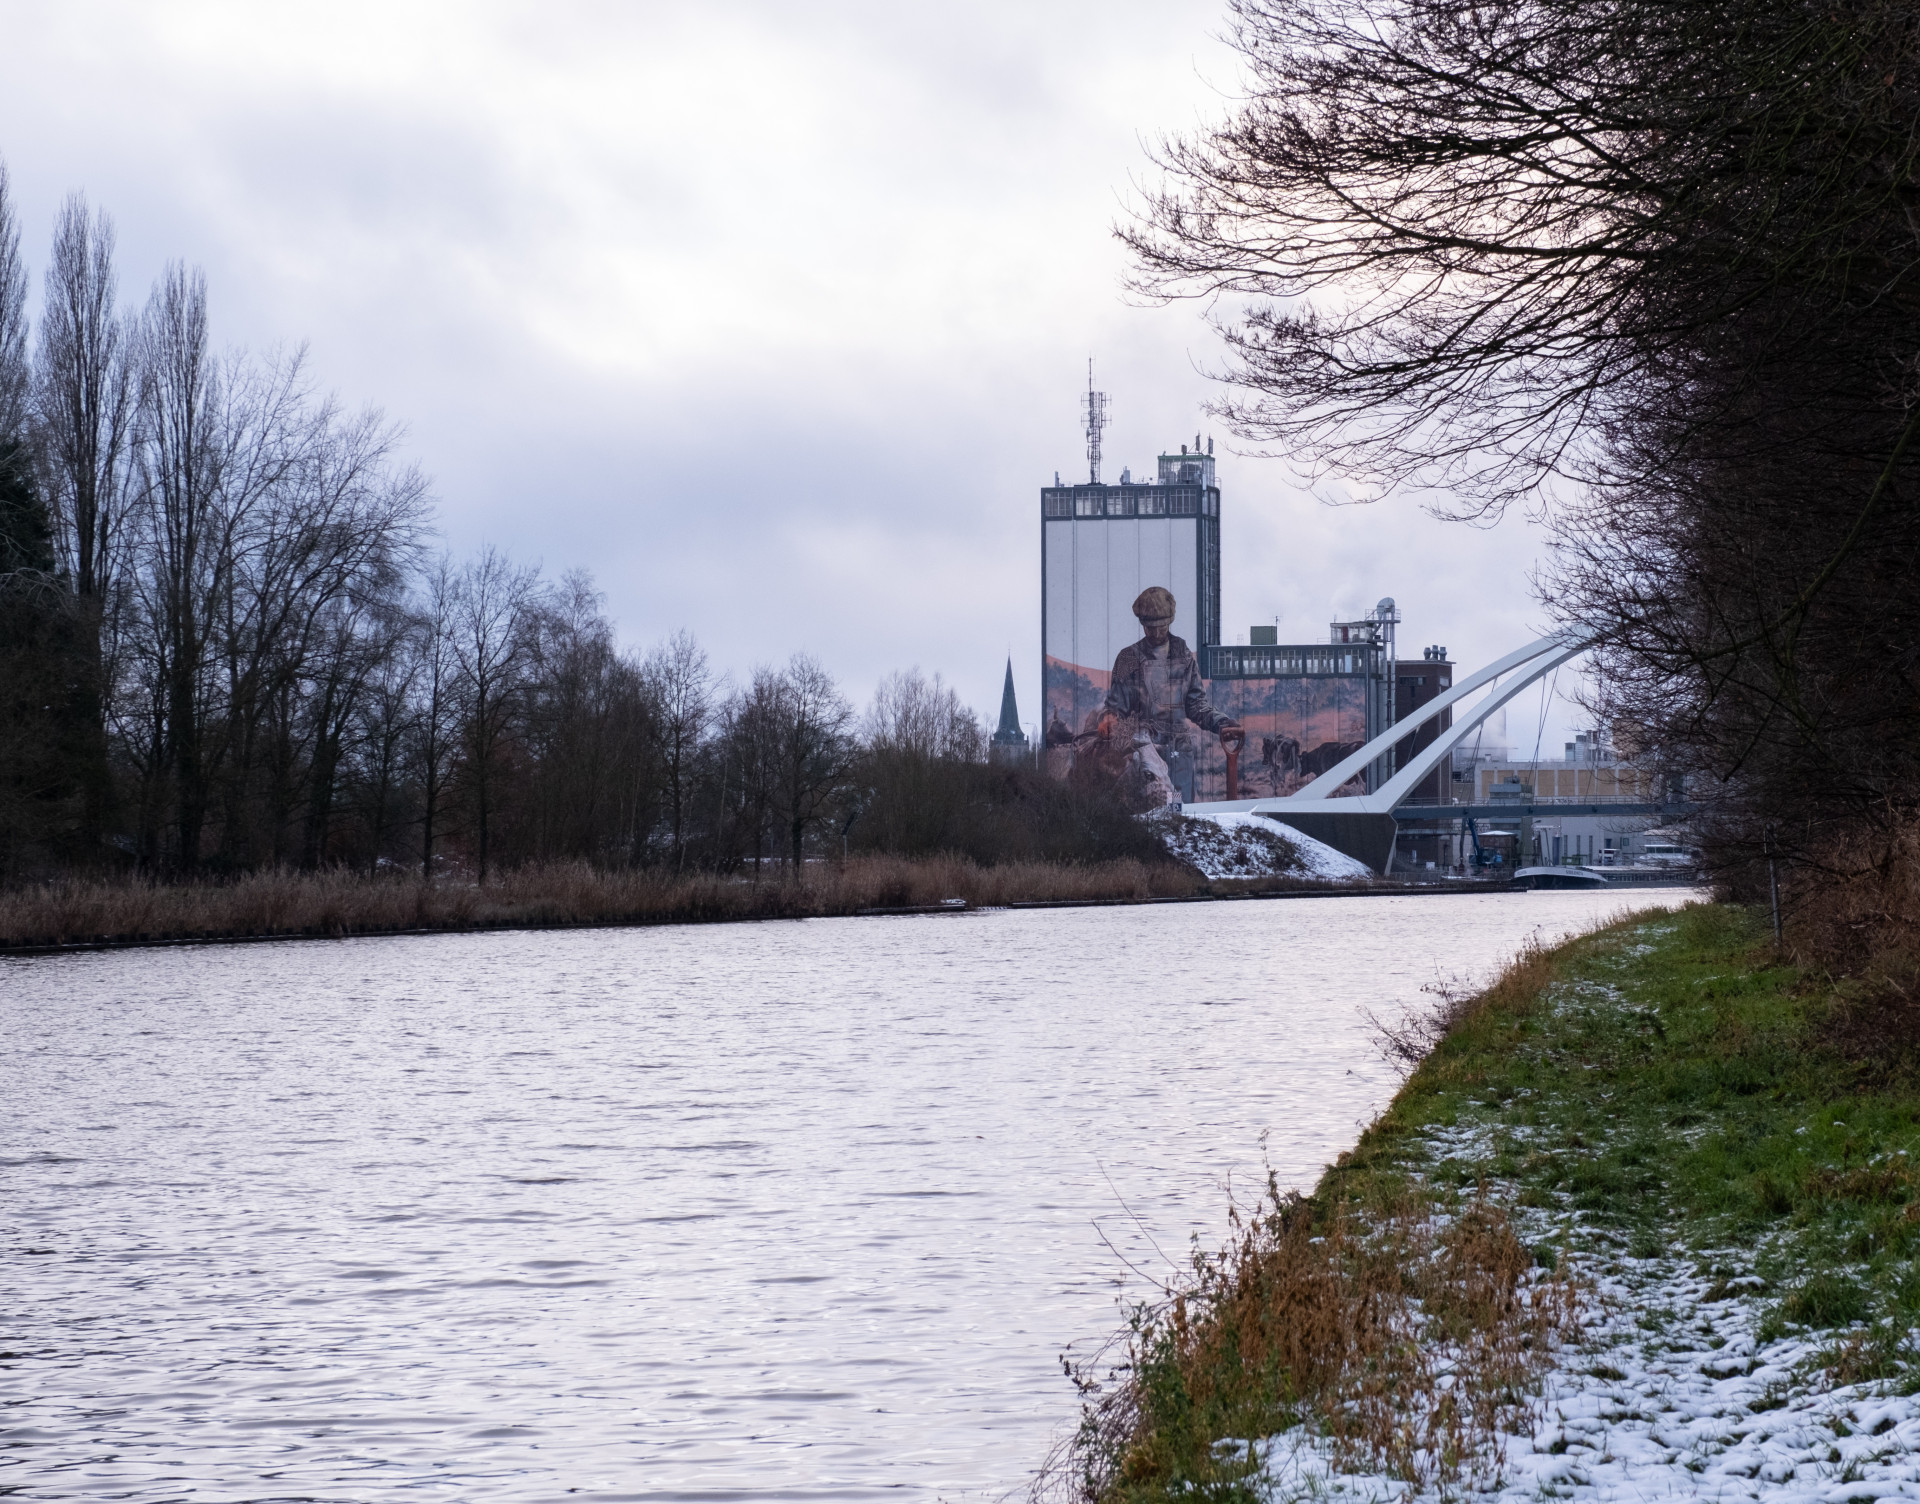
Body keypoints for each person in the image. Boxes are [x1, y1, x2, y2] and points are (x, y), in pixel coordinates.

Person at [1094, 586, 1242, 804]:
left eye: (1161, 627)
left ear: (1170, 621)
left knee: (1178, 808)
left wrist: (1222, 723)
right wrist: (1108, 718)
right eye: (1150, 627)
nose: (1155, 633)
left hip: (1179, 752)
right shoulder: (1128, 659)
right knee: (1151, 810)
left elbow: (1196, 705)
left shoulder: (1184, 656)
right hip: (1145, 752)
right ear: (1142, 624)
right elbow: (1115, 707)